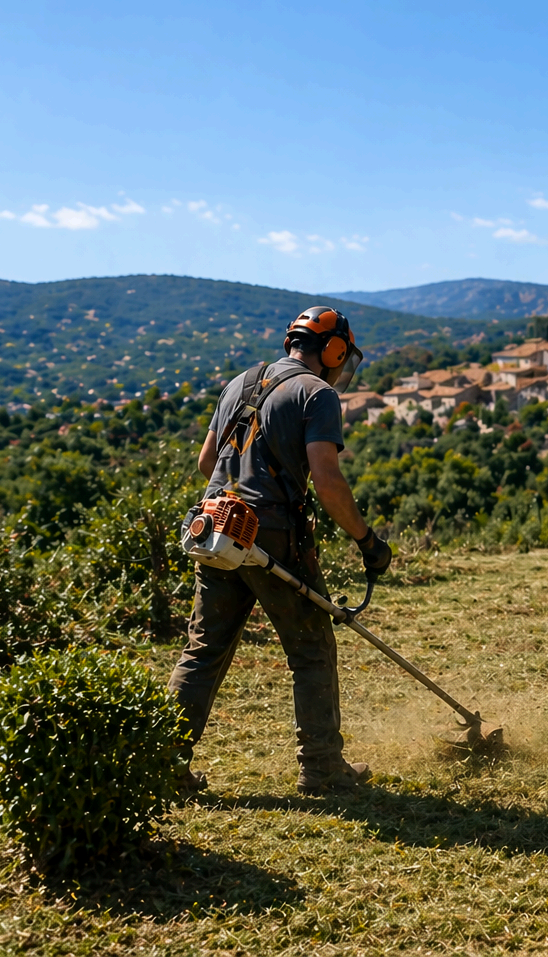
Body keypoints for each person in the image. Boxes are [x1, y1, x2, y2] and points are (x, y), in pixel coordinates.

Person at [168, 306, 392, 796]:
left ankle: (163, 766)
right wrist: (367, 541)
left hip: (217, 525)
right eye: (342, 356)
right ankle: (322, 770)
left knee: (203, 651)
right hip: (270, 534)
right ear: (334, 350)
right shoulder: (317, 393)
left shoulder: (239, 383)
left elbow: (208, 461)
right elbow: (329, 482)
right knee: (311, 649)